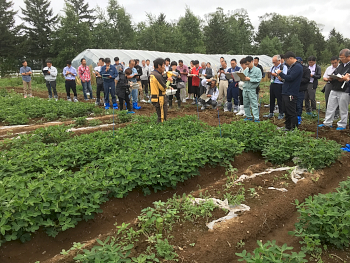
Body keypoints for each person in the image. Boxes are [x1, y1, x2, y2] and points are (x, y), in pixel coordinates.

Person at [319, 49, 350, 131]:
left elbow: (347, 78)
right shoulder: (340, 66)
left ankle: (342, 124)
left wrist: (344, 79)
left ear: (348, 57)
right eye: (340, 58)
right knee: (330, 106)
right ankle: (327, 122)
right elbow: (336, 73)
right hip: (334, 88)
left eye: (342, 57)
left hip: (344, 90)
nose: (341, 59)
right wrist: (332, 77)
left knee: (343, 108)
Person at [276, 51, 303, 131]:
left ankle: (294, 129)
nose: (286, 63)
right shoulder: (292, 67)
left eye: (286, 60)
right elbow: (288, 79)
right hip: (286, 91)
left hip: (291, 92)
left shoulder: (298, 67)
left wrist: (281, 74)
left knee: (291, 111)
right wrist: (282, 79)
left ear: (290, 58)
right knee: (286, 111)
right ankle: (287, 126)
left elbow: (291, 78)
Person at [264, 55, 287, 119]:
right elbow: (270, 77)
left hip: (279, 84)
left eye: (275, 62)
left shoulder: (283, 67)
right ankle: (271, 112)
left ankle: (281, 113)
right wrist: (269, 74)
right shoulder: (272, 67)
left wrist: (276, 75)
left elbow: (284, 76)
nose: (274, 63)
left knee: (280, 99)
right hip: (273, 83)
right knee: (272, 99)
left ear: (279, 61)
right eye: (273, 62)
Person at [150, 58, 172, 123]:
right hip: (160, 98)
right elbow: (163, 88)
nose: (164, 67)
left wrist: (169, 86)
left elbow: (157, 86)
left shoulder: (152, 74)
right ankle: (160, 130)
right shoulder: (157, 75)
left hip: (155, 97)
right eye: (163, 65)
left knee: (159, 114)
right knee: (162, 117)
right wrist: (169, 81)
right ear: (159, 66)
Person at [243, 56, 262, 122]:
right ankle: (248, 116)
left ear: (252, 61)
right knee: (246, 104)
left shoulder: (257, 70)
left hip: (252, 89)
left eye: (248, 64)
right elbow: (243, 78)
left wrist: (250, 79)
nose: (247, 65)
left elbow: (258, 80)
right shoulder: (245, 70)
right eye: (246, 64)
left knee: (254, 104)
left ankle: (256, 118)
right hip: (245, 89)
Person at [295, 57, 310, 125]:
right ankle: (293, 117)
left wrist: (298, 80)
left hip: (301, 89)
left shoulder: (306, 69)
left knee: (299, 104)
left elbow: (307, 79)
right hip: (293, 89)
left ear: (301, 62)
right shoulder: (293, 68)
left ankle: (298, 117)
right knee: (293, 104)